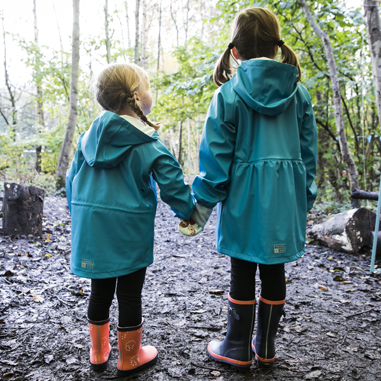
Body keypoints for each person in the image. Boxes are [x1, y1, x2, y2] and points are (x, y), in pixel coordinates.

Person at [180, 7, 317, 371]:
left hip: (243, 197)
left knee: (242, 268)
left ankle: (236, 347)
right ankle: (266, 347)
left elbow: (215, 162)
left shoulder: (227, 95)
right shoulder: (299, 94)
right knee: (274, 268)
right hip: (285, 200)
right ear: (276, 49)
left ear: (235, 52)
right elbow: (307, 155)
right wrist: (305, 200)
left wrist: (201, 207)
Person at [66, 63, 194, 376]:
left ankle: (98, 352)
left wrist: (79, 216)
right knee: (129, 294)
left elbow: (71, 181)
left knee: (100, 291)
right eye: (148, 87)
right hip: (129, 231)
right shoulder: (147, 141)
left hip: (93, 230)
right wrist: (190, 214)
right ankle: (130, 357)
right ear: (136, 97)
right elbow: (173, 184)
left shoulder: (87, 139)